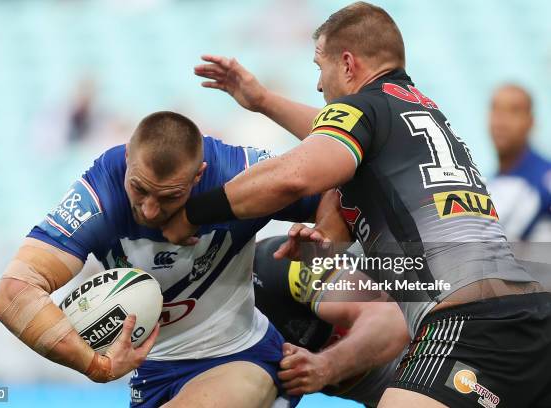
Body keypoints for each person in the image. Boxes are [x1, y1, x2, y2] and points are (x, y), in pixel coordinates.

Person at [162, 2, 551, 407]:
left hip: (466, 326)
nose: (317, 84)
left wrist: (190, 215)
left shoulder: (365, 110)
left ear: (347, 64)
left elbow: (294, 175)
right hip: (531, 316)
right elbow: (335, 141)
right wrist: (262, 101)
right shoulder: (420, 112)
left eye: (319, 67)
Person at [0, 111, 319, 408]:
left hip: (239, 357)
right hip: (149, 374)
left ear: (199, 175)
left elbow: (338, 189)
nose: (149, 209)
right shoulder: (100, 191)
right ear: (128, 156)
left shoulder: (240, 171)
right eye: (139, 189)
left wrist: (323, 239)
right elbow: (13, 293)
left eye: (169, 196)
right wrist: (95, 366)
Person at [253, 235, 409, 407]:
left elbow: (390, 320)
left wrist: (326, 366)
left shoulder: (278, 262)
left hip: (416, 345)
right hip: (376, 390)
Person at [486, 84, 551, 241]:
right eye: (496, 110)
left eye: (513, 111)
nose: (501, 122)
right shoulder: (486, 185)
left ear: (530, 121)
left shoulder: (545, 180)